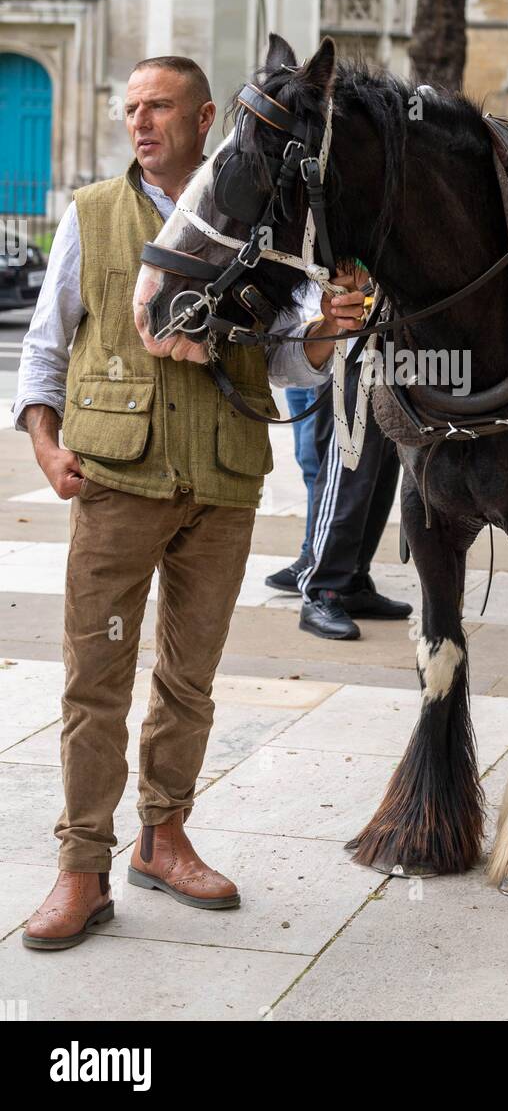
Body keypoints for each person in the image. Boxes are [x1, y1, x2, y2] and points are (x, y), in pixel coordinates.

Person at [12, 55, 366, 950]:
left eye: (159, 106)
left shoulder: (264, 228)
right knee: (96, 684)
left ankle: (163, 840)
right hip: (116, 480)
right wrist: (47, 447)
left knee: (189, 680)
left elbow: (287, 364)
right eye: (130, 107)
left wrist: (328, 330)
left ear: (205, 118)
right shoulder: (91, 214)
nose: (141, 122)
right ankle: (81, 868)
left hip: (220, 480)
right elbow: (47, 348)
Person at [297, 325, 412, 640]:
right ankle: (321, 590)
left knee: (379, 481)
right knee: (346, 478)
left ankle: (352, 582)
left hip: (399, 355)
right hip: (355, 353)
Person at [264, 283, 323, 593]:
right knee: (309, 461)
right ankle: (314, 553)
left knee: (320, 465)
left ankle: (315, 556)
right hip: (294, 348)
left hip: (327, 349)